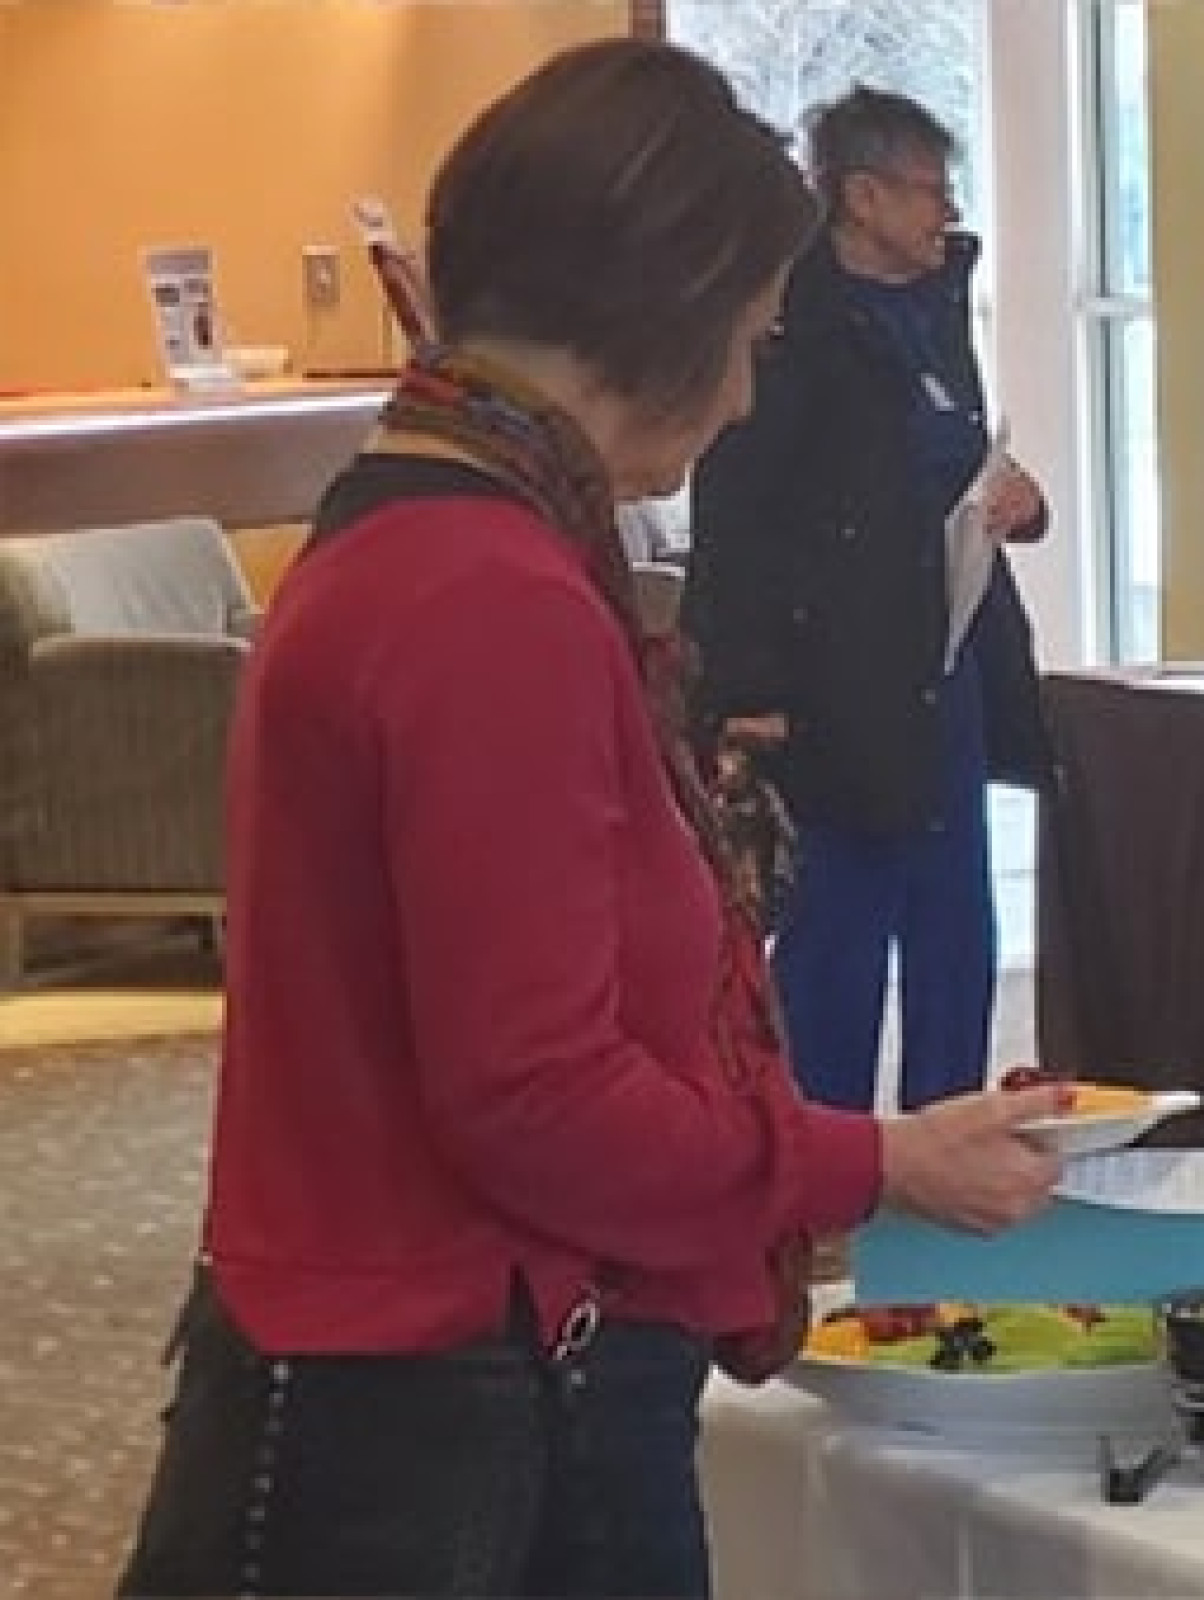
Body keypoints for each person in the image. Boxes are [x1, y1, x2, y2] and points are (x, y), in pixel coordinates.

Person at [118, 41, 1068, 1598]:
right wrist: (869, 1160)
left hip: (401, 1362)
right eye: (751, 338)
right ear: (662, 314)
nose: (751, 389)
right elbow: (535, 1095)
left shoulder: (416, 529)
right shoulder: (485, 595)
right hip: (446, 1402)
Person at [686, 86, 1055, 1116]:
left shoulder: (937, 308)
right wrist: (748, 684)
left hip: (946, 654)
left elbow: (956, 458)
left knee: (956, 930)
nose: (946, 211)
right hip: (836, 670)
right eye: (928, 190)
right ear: (861, 196)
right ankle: (825, 1160)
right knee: (840, 930)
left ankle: (951, 1140)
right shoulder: (784, 326)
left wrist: (1022, 504)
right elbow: (739, 518)